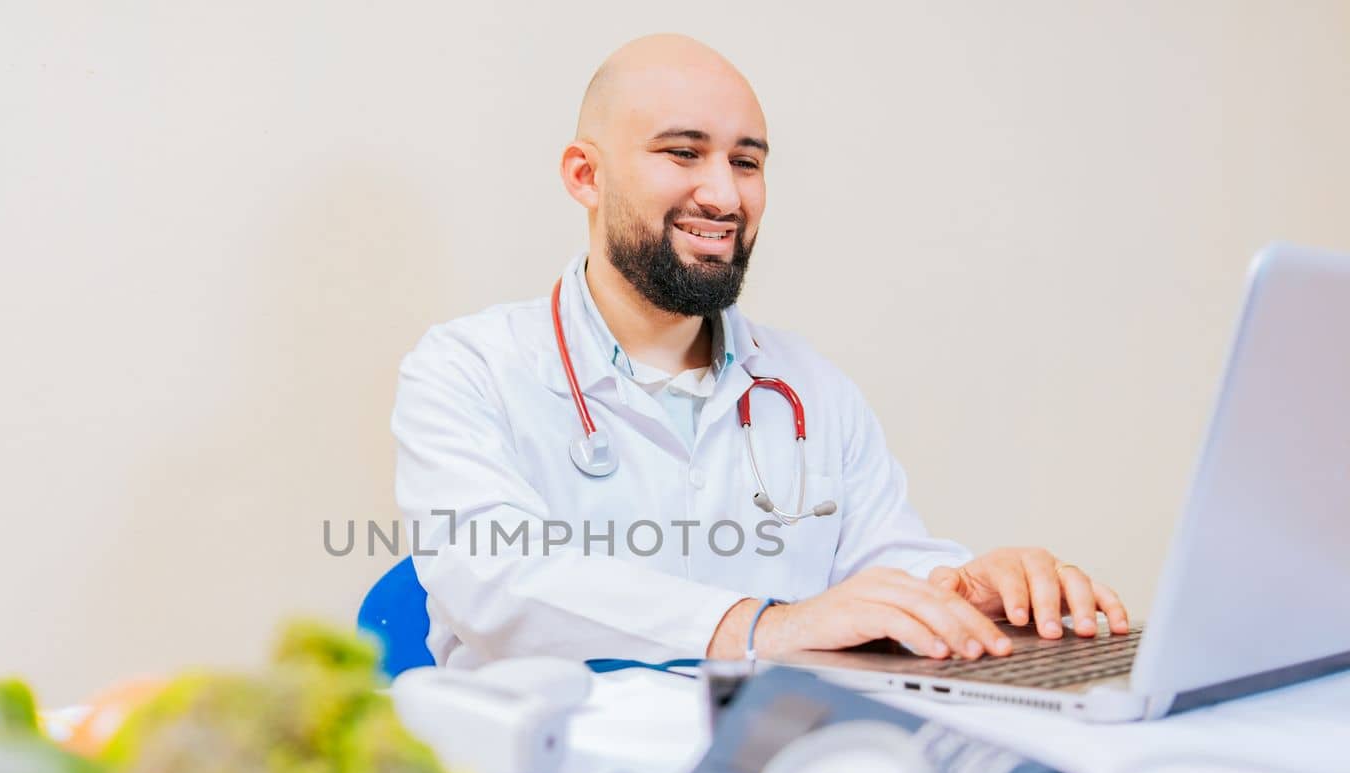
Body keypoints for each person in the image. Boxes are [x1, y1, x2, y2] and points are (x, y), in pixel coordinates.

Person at [392, 33, 1127, 669]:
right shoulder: (467, 369)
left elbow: (880, 567)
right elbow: (496, 582)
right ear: (586, 175)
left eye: (747, 163)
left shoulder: (810, 388)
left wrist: (966, 592)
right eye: (684, 153)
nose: (724, 195)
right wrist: (765, 627)